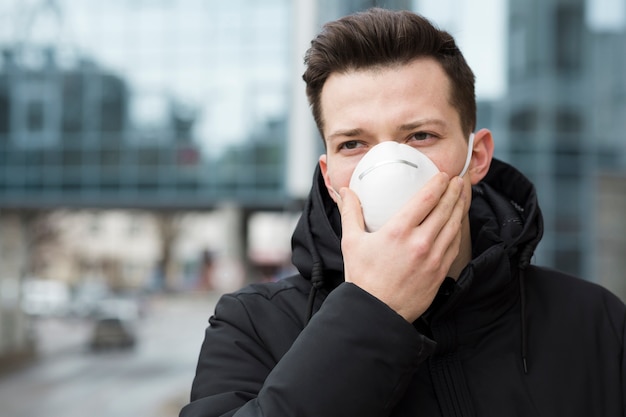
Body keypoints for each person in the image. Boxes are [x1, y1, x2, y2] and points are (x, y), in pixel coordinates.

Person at [180, 8, 625, 417]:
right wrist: (371, 311)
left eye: (420, 136)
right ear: (330, 176)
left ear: (476, 157)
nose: (388, 165)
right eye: (352, 144)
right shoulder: (253, 326)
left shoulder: (593, 322)